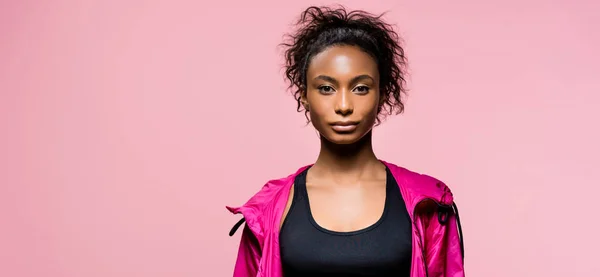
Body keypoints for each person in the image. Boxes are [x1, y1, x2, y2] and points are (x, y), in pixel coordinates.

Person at [227, 5, 465, 277]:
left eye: (360, 88)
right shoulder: (268, 209)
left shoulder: (429, 202)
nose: (343, 105)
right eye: (326, 88)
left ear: (383, 94)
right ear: (304, 95)